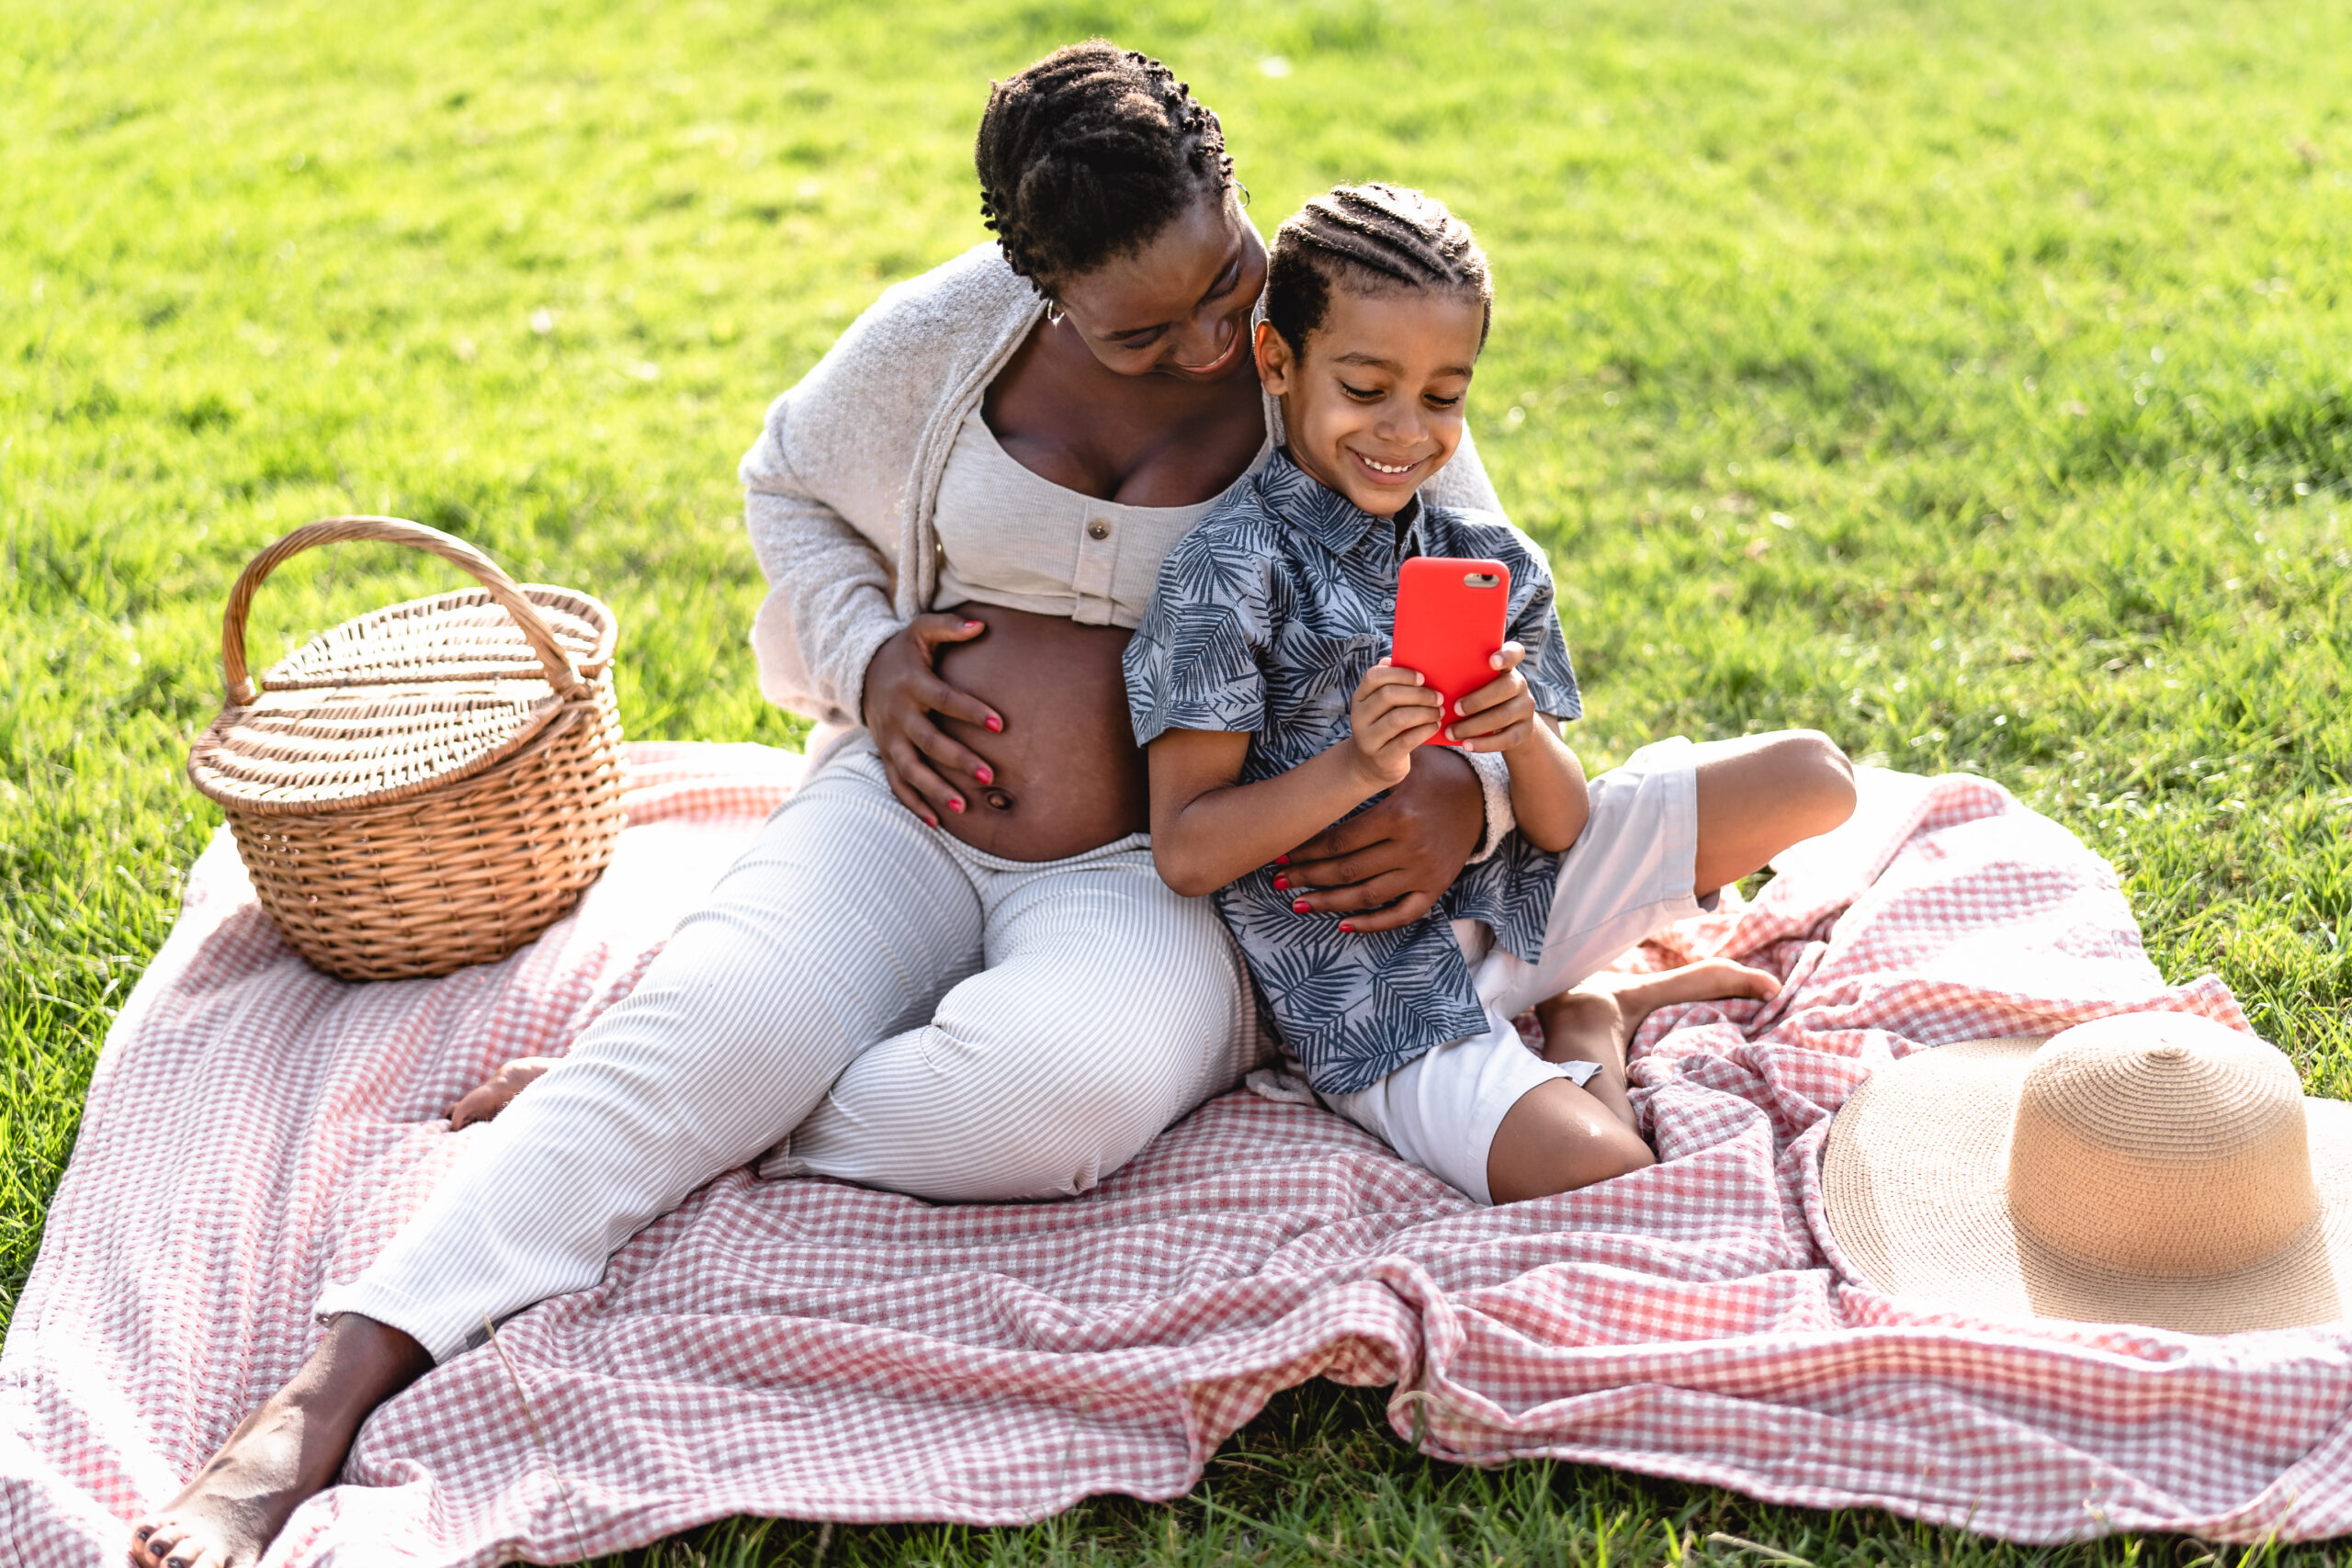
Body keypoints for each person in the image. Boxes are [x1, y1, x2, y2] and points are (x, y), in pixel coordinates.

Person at [130, 46, 1807, 1568]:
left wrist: (1455, 793)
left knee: (1046, 1107)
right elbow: (784, 480)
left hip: (1146, 873)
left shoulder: (1331, 347)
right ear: (1043, 290)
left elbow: (1457, 597)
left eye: (1221, 290)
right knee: (710, 1021)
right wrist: (869, 668)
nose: (1206, 346)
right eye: (1140, 332)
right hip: (906, 812)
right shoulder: (943, 338)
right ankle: (324, 1401)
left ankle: (714, 1100)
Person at [1127, 184, 1860, 1205]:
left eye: (1442, 396)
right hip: (1370, 989)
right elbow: (1186, 849)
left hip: (1521, 897)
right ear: (1278, 362)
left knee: (1816, 779)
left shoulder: (1491, 561)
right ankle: (1590, 1016)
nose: (1405, 430)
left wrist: (1520, 745)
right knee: (1608, 1169)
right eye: (1367, 387)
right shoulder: (1227, 571)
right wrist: (1353, 767)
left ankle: (1569, 987)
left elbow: (1559, 827)